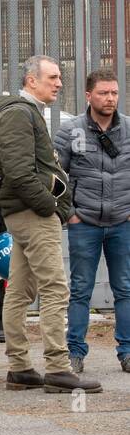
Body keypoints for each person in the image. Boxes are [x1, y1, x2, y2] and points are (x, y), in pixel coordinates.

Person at [0, 55, 99, 393]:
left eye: (59, 77)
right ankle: (59, 368)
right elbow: (19, 172)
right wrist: (49, 206)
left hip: (22, 213)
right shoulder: (20, 112)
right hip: (33, 214)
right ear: (31, 80)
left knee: (19, 289)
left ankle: (20, 367)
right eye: (53, 76)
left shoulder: (20, 111)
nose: (59, 83)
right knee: (55, 288)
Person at [56, 68, 130, 375]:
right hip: (83, 222)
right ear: (89, 95)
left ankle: (126, 351)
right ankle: (75, 352)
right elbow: (55, 177)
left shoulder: (128, 128)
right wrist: (69, 214)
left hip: (122, 222)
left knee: (124, 288)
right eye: (103, 93)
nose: (110, 98)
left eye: (114, 92)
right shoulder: (70, 130)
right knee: (81, 290)